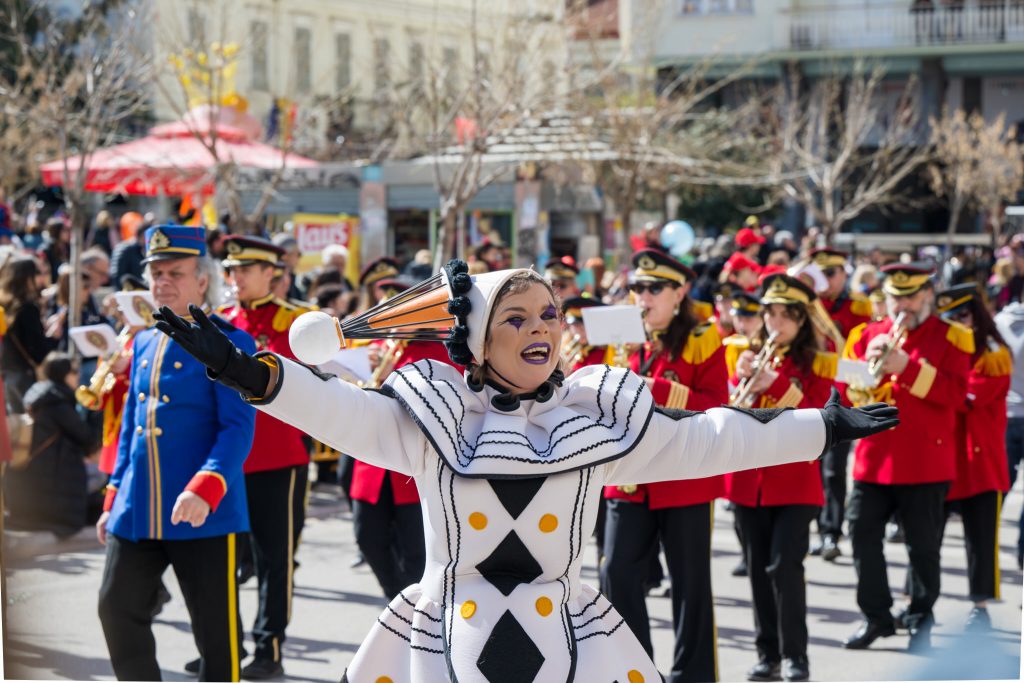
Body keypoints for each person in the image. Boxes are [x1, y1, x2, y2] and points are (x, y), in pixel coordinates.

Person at [154, 260, 897, 683]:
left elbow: (709, 436)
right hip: (443, 638)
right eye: (515, 318)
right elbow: (332, 409)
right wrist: (247, 370)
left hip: (569, 633)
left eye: (547, 314)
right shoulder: (428, 419)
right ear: (476, 342)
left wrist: (821, 424)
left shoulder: (594, 417)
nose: (539, 328)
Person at [96, 225, 256, 682]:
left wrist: (206, 488)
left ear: (202, 280)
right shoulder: (144, 341)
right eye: (156, 272)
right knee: (116, 609)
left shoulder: (231, 343)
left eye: (175, 273)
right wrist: (112, 498)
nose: (162, 281)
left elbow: (236, 430)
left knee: (216, 638)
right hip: (138, 510)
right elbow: (132, 428)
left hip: (204, 511)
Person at [602, 248, 728, 683]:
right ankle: (635, 670)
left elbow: (715, 408)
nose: (643, 296)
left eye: (654, 288)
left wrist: (653, 388)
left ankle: (692, 676)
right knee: (615, 572)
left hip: (683, 477)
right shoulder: (621, 336)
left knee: (690, 584)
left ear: (681, 293)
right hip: (630, 477)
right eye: (637, 287)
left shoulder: (702, 338)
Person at [840, 263, 972, 653]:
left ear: (929, 294)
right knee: (861, 534)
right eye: (897, 296)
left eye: (912, 296)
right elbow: (847, 393)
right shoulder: (865, 334)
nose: (904, 305)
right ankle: (876, 616)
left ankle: (920, 620)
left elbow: (956, 396)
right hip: (873, 458)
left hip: (925, 461)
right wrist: (868, 373)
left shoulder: (954, 337)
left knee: (923, 547)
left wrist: (907, 368)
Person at [726, 274, 837, 683]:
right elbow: (730, 409)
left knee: (784, 568)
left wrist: (776, 384)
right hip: (748, 480)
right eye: (769, 313)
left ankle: (796, 656)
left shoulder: (819, 361)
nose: (774, 322)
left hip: (794, 481)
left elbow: (821, 418)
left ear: (802, 319)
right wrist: (741, 381)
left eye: (785, 315)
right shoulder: (746, 353)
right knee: (757, 570)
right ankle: (767, 653)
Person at [213, 235, 312, 680]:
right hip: (229, 460)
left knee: (275, 558)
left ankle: (268, 647)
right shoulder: (220, 322)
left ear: (271, 272)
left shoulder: (295, 323)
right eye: (231, 271)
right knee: (222, 558)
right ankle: (225, 645)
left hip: (277, 457)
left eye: (245, 270)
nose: (235, 279)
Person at [934, 284, 1011, 631]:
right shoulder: (943, 348)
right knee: (925, 535)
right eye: (949, 317)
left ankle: (980, 606)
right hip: (943, 455)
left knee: (981, 538)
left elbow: (967, 397)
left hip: (978, 458)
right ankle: (917, 600)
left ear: (976, 315)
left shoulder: (992, 352)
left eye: (962, 315)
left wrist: (932, 384)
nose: (957, 323)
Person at [806, 248, 873, 561]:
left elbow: (860, 350)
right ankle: (816, 527)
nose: (826, 280)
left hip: (841, 392)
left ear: (844, 275)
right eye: (822, 274)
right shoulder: (806, 305)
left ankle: (831, 532)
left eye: (831, 273)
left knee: (834, 470)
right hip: (810, 393)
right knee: (812, 465)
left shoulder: (858, 305)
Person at [5, 351, 99, 536]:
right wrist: (96, 410)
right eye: (73, 371)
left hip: (41, 479)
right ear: (62, 373)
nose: (78, 375)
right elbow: (87, 438)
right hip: (56, 488)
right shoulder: (57, 403)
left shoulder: (40, 394)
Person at [0, 255, 60, 413]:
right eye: (37, 273)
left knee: (15, 426)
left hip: (7, 374)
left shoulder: (5, 305)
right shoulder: (27, 308)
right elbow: (38, 351)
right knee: (29, 425)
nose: (41, 278)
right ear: (27, 278)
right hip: (25, 376)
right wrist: (53, 337)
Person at [994, 293, 1024, 569]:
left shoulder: (999, 322)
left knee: (1003, 482)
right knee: (1002, 482)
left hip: (1008, 412)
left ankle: (988, 536)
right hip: (1010, 414)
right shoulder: (999, 322)